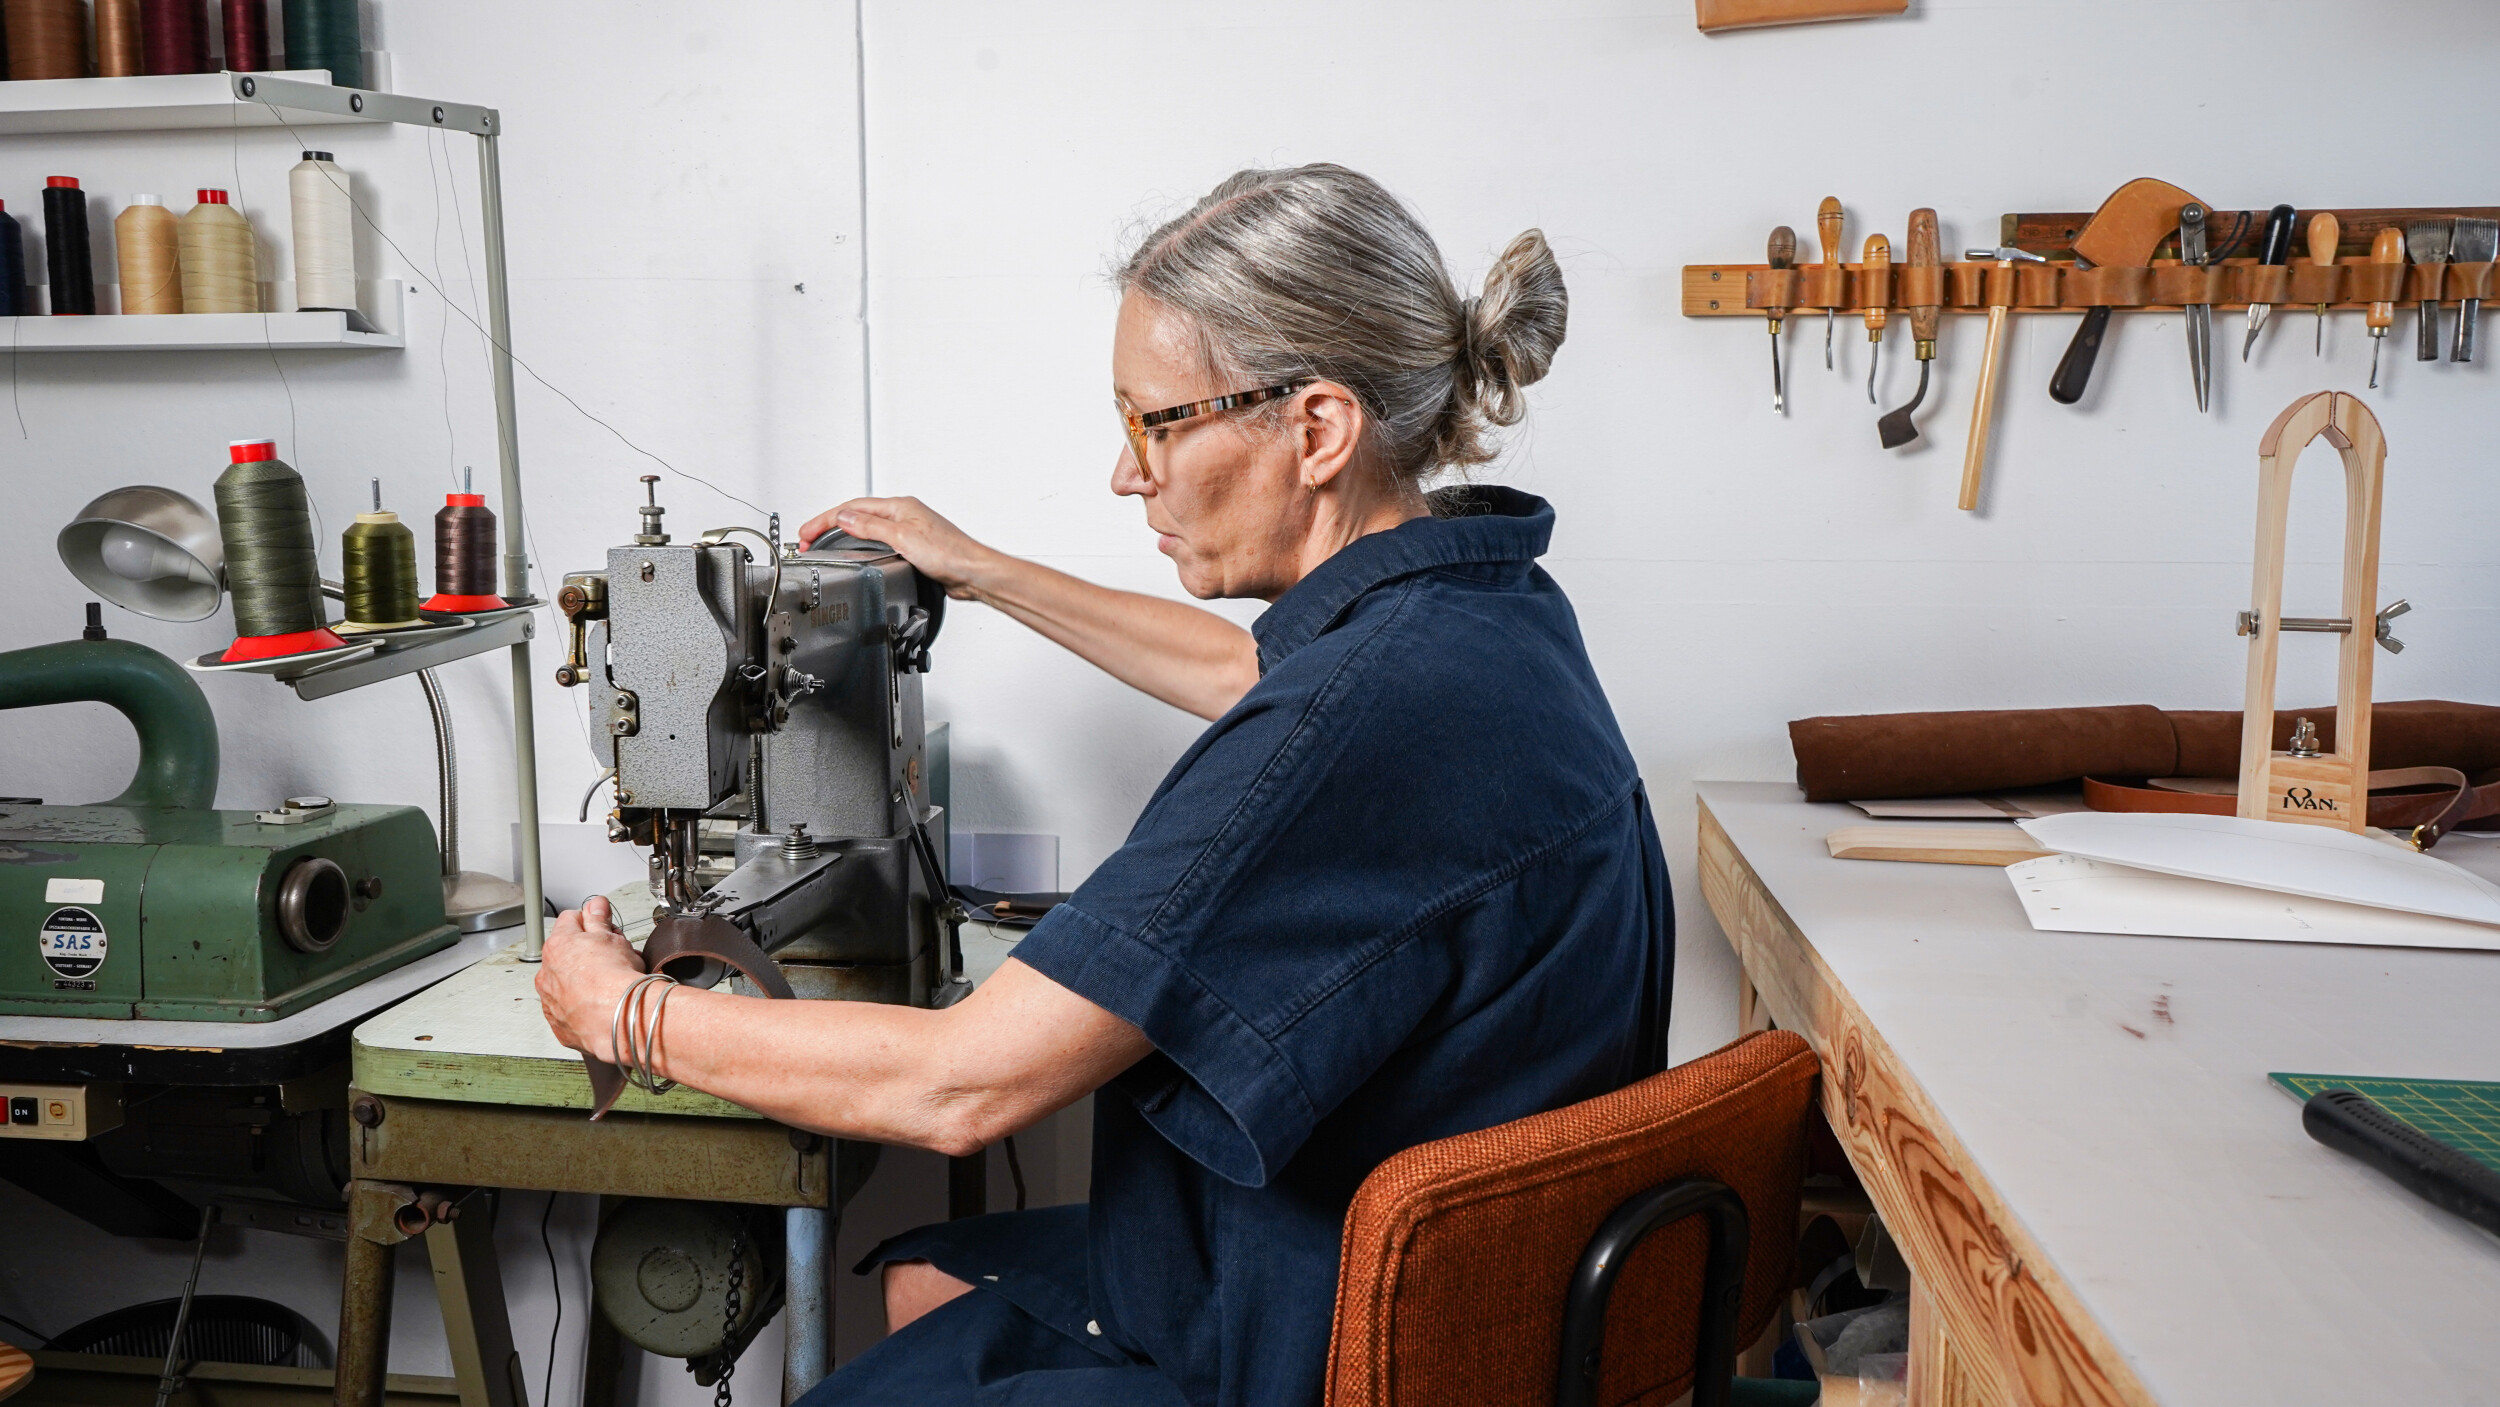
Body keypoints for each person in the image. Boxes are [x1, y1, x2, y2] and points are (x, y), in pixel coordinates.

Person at [535, 163, 1672, 1407]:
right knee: (922, 1276)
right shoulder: (1474, 617)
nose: (1127, 476)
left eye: (1155, 422)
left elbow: (957, 1086)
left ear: (1317, 430)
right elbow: (1254, 673)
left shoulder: (1348, 726)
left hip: (1329, 1344)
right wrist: (984, 570)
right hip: (1443, 1295)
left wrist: (623, 1015)